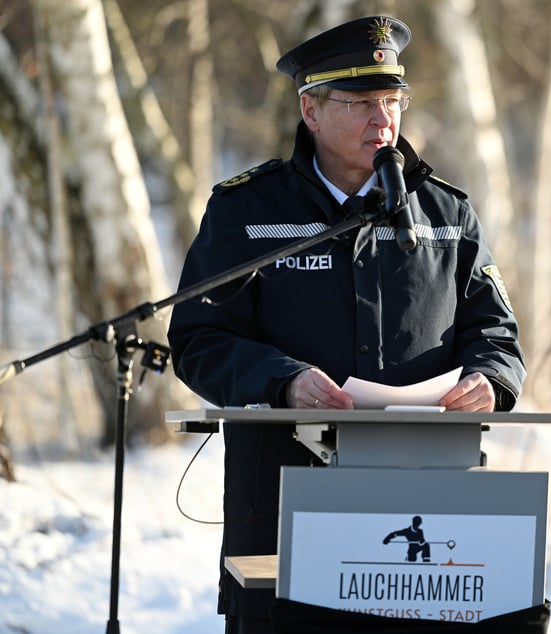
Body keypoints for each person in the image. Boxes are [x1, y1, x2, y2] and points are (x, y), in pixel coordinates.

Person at [167, 15, 526, 634]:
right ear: (310, 110)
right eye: (361, 103)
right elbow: (199, 339)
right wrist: (281, 381)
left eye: (393, 101)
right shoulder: (247, 211)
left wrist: (490, 380)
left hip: (424, 516)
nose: (383, 120)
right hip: (284, 506)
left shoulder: (447, 211)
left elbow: (495, 334)